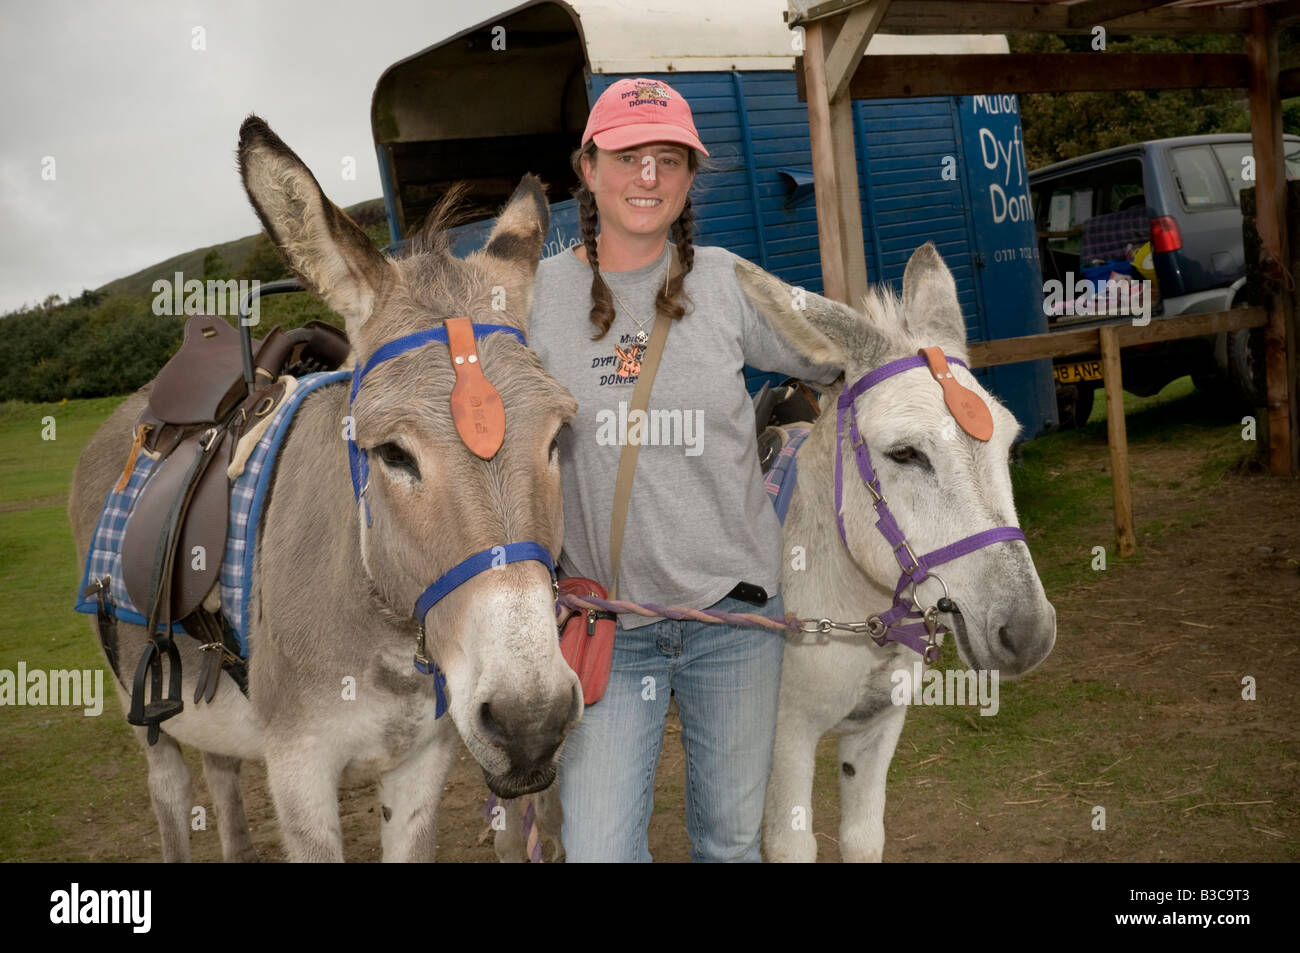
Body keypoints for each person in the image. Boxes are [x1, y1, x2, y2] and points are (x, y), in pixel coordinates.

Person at [526, 77, 840, 862]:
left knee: (730, 844)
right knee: (599, 850)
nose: (649, 177)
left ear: (690, 179)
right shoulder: (533, 299)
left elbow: (838, 357)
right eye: (629, 156)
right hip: (607, 623)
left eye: (669, 159)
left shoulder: (730, 284)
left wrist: (921, 365)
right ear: (589, 168)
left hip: (733, 616)